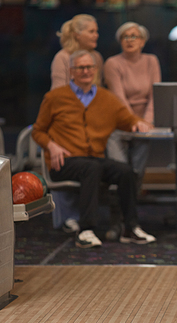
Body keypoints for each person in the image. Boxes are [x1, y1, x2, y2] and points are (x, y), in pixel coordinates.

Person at [32, 50, 157, 248]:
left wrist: (138, 123)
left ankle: (130, 228)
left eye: (89, 67)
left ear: (95, 71)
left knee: (125, 172)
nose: (86, 71)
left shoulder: (106, 98)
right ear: (72, 71)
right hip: (64, 161)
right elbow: (37, 131)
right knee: (91, 168)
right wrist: (51, 145)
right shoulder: (55, 97)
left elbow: (127, 120)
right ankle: (85, 230)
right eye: (81, 67)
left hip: (93, 159)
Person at [50, 14, 103, 233]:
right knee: (68, 161)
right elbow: (57, 96)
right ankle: (67, 218)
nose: (96, 35)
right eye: (91, 31)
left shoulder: (97, 57)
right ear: (77, 34)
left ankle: (91, 217)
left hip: (91, 125)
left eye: (96, 31)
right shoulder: (62, 58)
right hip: (66, 123)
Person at [104, 22, 161, 182]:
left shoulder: (151, 61)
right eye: (125, 37)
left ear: (142, 41)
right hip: (119, 122)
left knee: (137, 171)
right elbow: (119, 97)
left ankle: (132, 204)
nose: (130, 40)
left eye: (134, 36)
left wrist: (146, 122)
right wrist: (134, 121)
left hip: (144, 123)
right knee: (121, 171)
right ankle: (117, 203)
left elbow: (154, 95)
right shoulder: (112, 63)